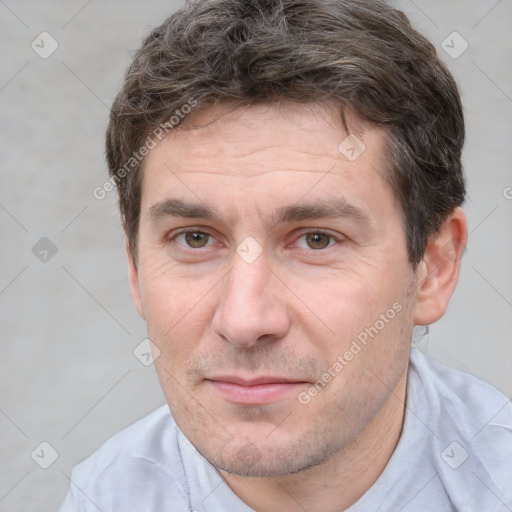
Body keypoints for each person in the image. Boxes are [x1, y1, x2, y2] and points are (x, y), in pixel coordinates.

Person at [59, 0, 512, 510]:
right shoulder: (106, 497)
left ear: (433, 267)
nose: (245, 320)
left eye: (317, 239)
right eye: (195, 238)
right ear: (136, 269)